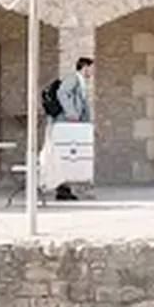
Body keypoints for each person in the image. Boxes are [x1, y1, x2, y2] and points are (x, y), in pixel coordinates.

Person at [50, 56, 93, 200]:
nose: (91, 72)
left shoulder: (81, 82)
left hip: (74, 124)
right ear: (85, 67)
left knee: (72, 155)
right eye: (90, 68)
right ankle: (62, 189)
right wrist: (71, 113)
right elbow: (62, 93)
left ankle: (65, 189)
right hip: (65, 122)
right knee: (65, 153)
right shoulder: (73, 79)